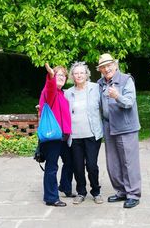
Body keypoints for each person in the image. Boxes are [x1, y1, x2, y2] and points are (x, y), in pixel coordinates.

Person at [96, 53, 141, 209]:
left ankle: (133, 194)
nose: (106, 69)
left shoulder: (126, 80)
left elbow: (129, 102)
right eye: (103, 67)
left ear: (115, 65)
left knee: (129, 162)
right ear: (100, 69)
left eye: (109, 65)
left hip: (126, 127)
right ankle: (121, 191)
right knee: (113, 162)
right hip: (109, 126)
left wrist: (117, 96)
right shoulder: (100, 83)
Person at [64, 62, 103, 205]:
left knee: (92, 165)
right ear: (72, 76)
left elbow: (106, 106)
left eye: (82, 73)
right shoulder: (68, 93)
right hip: (74, 137)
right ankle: (81, 192)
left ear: (87, 74)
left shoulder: (96, 88)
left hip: (92, 135)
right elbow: (60, 109)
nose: (79, 75)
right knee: (78, 166)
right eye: (76, 73)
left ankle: (96, 191)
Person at [38, 63, 75, 207]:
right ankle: (51, 197)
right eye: (58, 75)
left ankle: (65, 187)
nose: (62, 78)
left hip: (64, 136)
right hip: (52, 136)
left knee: (70, 161)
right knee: (52, 167)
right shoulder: (50, 91)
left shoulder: (63, 94)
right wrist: (51, 77)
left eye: (64, 76)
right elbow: (50, 87)